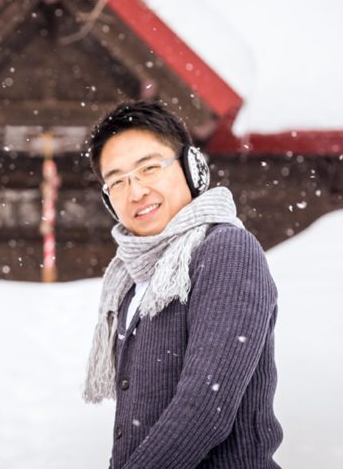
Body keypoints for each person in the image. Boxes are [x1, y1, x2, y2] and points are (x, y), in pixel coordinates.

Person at [84, 101, 283, 468]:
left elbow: (206, 407)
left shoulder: (226, 250)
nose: (136, 191)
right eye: (117, 181)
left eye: (149, 168)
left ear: (193, 168)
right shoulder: (132, 277)